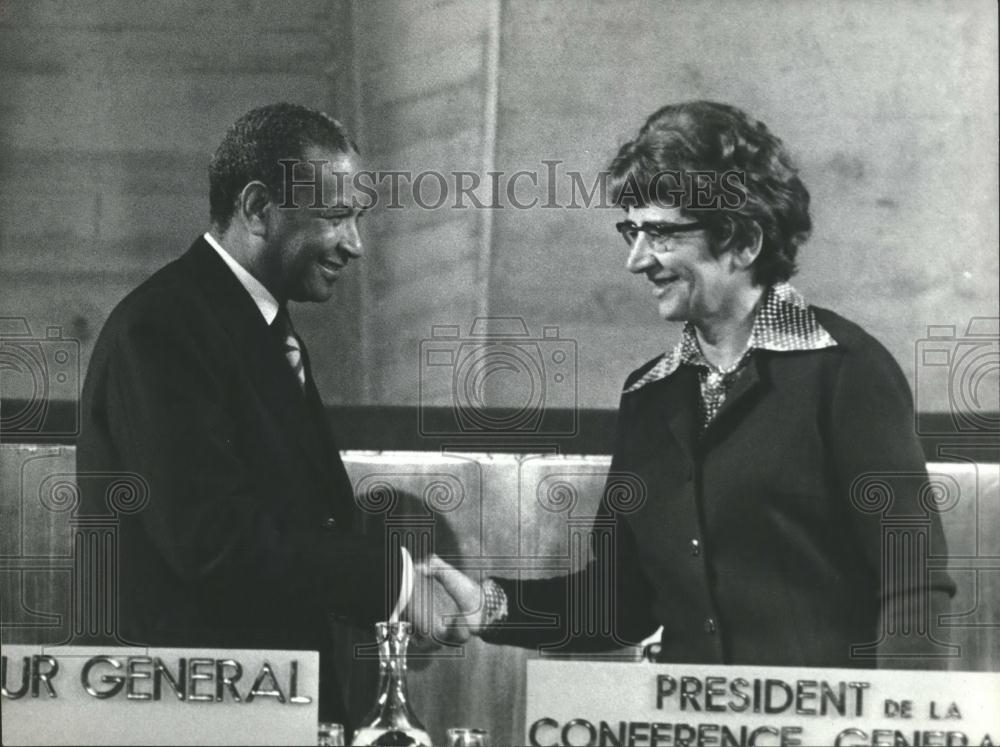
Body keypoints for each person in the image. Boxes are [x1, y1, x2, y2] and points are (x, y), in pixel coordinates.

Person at [431, 101, 955, 668]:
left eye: (660, 234)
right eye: (632, 231)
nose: (636, 260)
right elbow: (621, 603)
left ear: (743, 241)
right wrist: (490, 607)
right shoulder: (648, 394)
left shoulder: (847, 371)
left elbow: (913, 589)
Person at [77, 103, 465, 725]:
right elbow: (214, 543)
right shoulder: (163, 329)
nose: (355, 245)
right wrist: (393, 582)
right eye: (336, 217)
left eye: (357, 219)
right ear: (259, 209)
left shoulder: (250, 325)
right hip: (189, 716)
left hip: (252, 709)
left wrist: (402, 583)